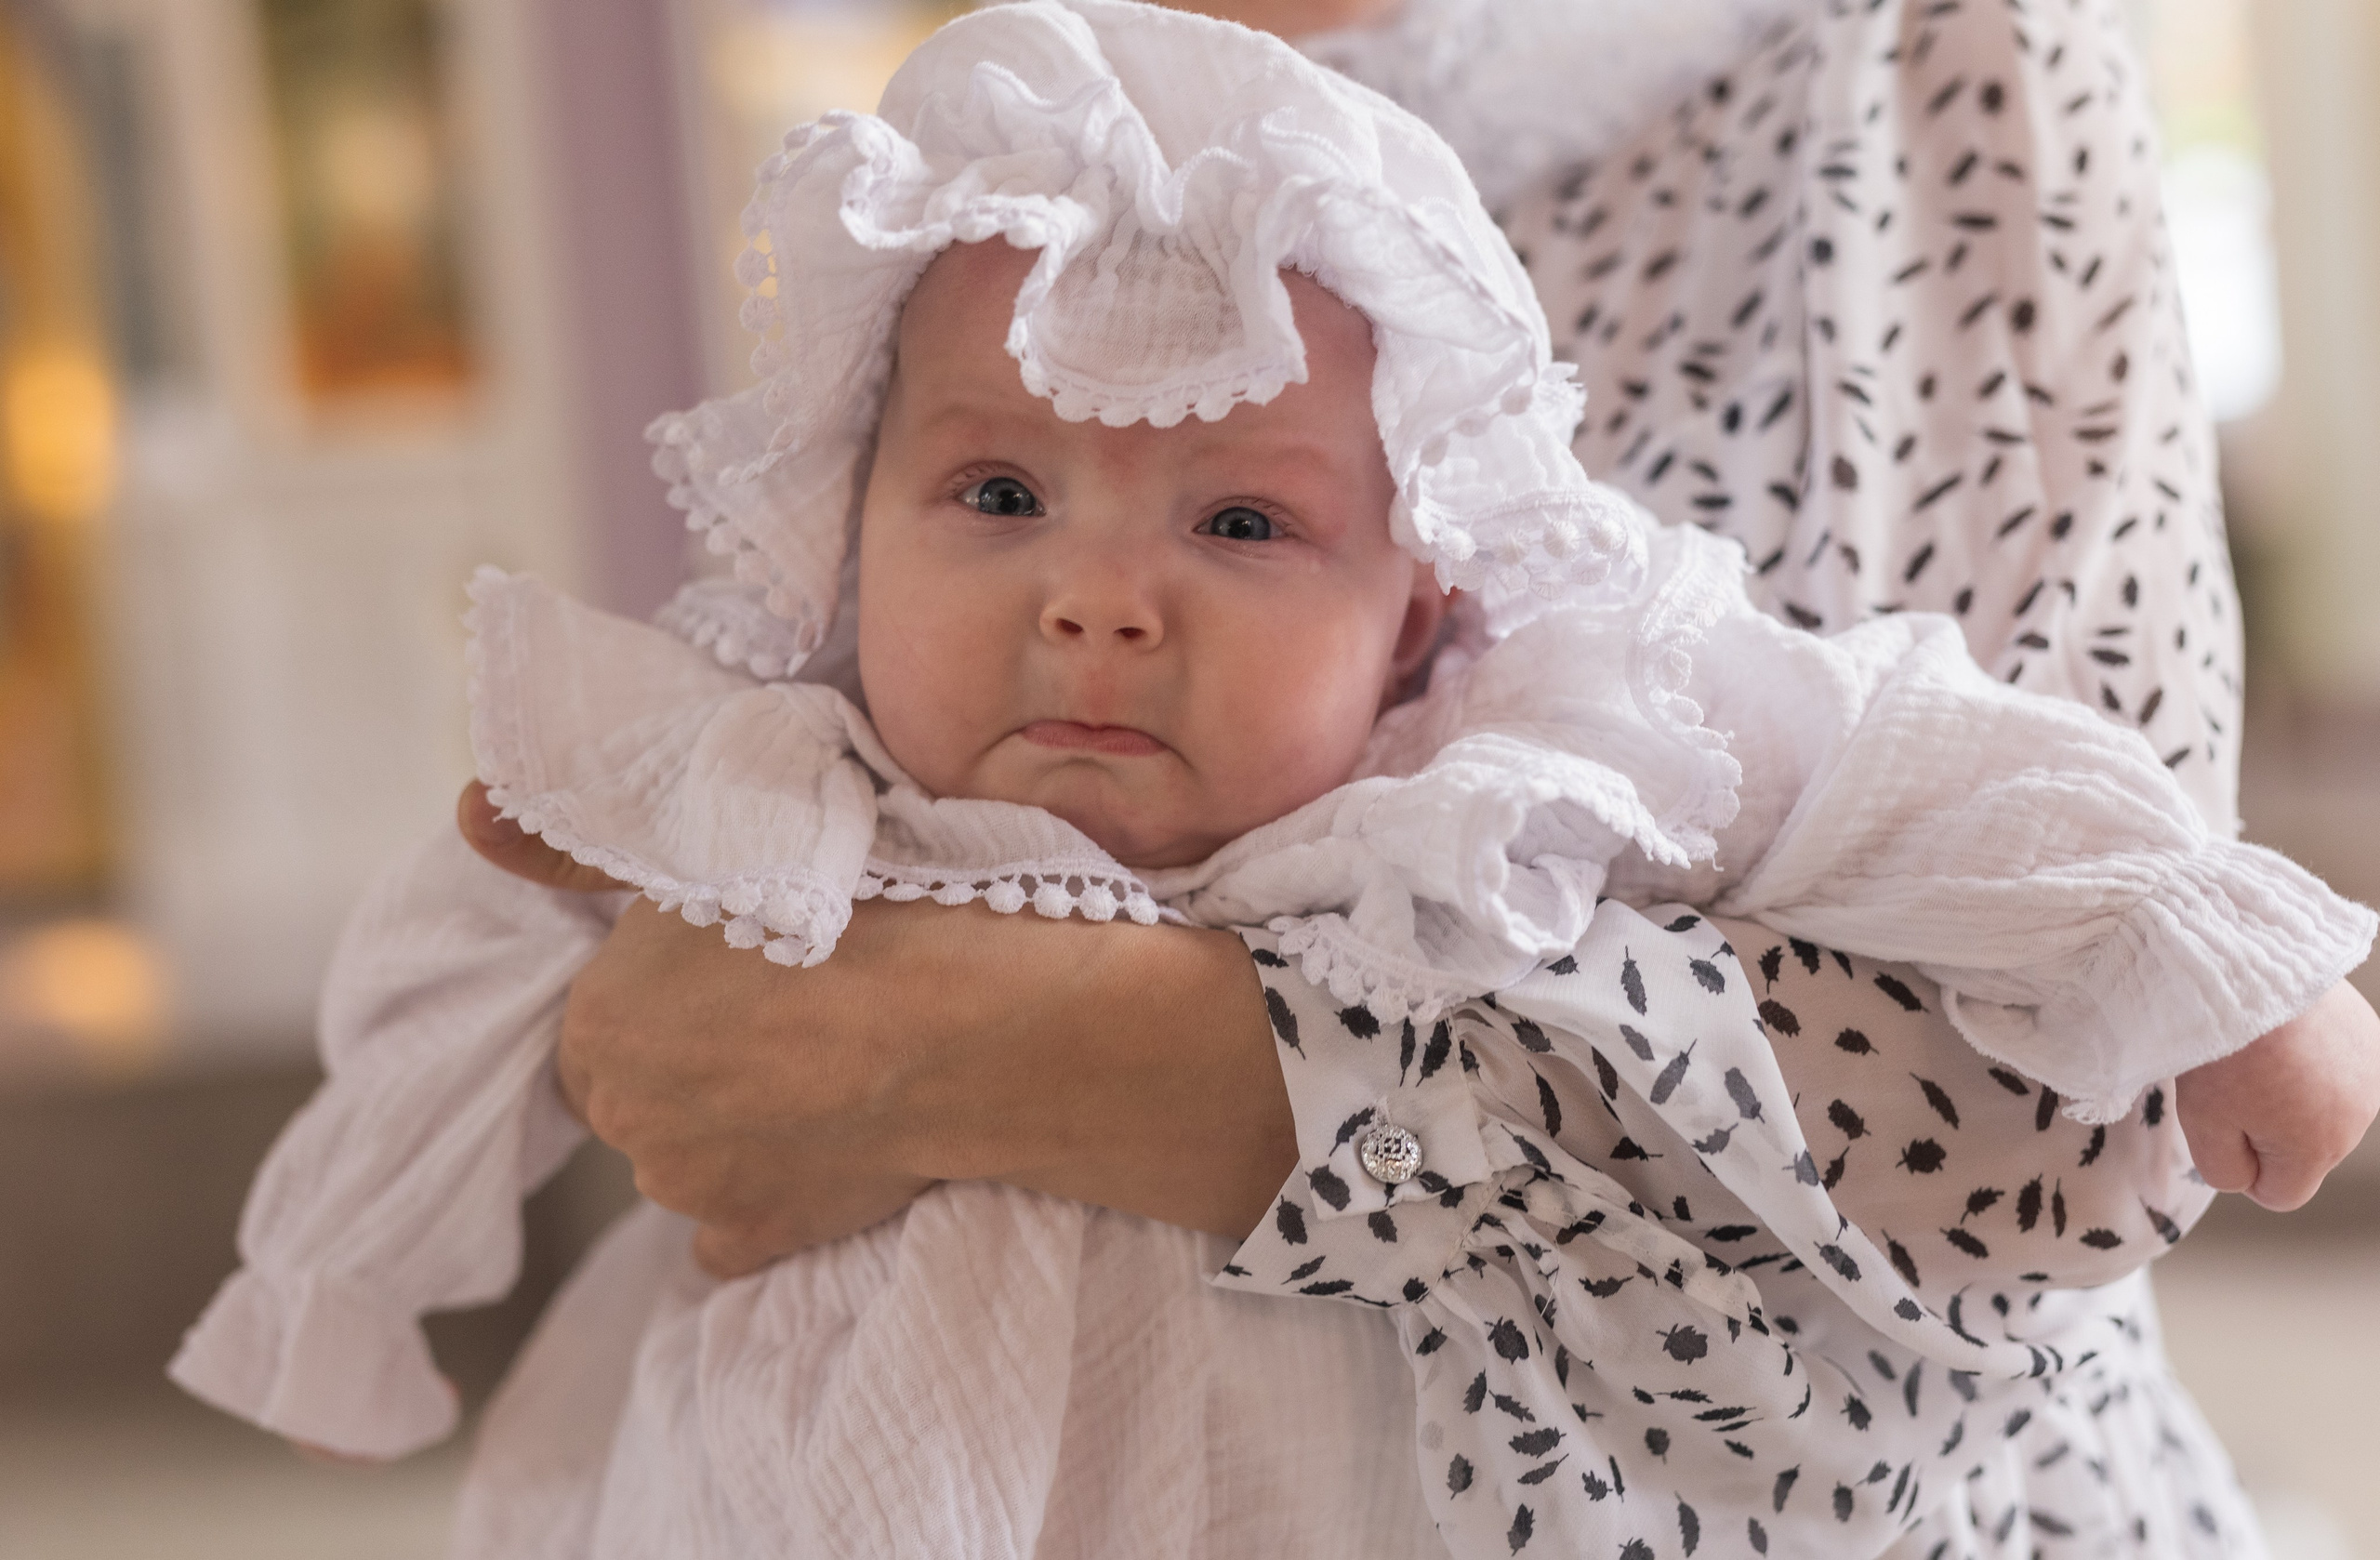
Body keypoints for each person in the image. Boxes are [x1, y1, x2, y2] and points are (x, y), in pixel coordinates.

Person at [177, 3, 2379, 1557]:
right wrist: (341, 1277)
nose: (1097, 599)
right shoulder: (775, 746)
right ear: (843, 526)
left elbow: (1892, 755)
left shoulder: (1500, 754)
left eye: (1239, 523)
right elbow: (467, 955)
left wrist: (2191, 936)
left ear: (1419, 603)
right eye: (995, 495)